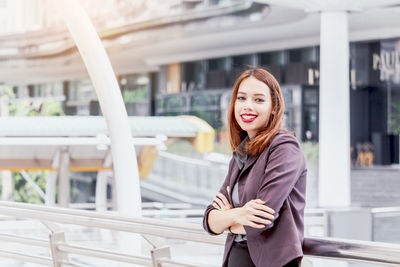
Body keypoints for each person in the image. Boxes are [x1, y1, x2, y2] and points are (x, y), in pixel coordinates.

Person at [203, 67, 307, 267]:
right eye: (241, 98)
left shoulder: (284, 148)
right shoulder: (241, 154)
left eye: (259, 100)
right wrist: (236, 214)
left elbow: (262, 220)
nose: (247, 106)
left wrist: (226, 222)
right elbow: (209, 221)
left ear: (274, 107)